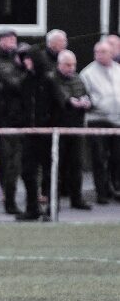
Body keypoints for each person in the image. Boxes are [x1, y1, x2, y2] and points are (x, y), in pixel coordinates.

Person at [17, 47, 63, 220]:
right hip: (30, 134)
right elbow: (22, 106)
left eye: (28, 59)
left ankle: (52, 209)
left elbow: (59, 104)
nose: (25, 62)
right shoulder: (25, 82)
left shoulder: (49, 81)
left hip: (48, 134)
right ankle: (32, 209)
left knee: (50, 174)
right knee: (28, 172)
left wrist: (51, 124)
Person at [0, 29, 28, 214]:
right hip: (0, 120)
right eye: (9, 39)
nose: (12, 42)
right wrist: (23, 68)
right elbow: (13, 85)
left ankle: (10, 203)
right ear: (0, 41)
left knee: (14, 165)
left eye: (14, 39)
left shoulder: (18, 60)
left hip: (18, 119)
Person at [80, 39, 120, 203]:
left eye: (103, 52)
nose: (99, 55)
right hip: (97, 120)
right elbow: (84, 95)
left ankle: (116, 188)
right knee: (99, 157)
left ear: (112, 53)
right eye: (97, 52)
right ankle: (101, 192)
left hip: (117, 120)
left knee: (117, 158)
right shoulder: (87, 73)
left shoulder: (118, 69)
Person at [53, 50, 92, 210]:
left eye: (73, 64)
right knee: (57, 165)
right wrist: (70, 102)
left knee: (76, 164)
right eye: (68, 65)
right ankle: (54, 200)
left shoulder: (77, 78)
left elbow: (86, 94)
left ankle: (76, 198)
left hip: (76, 128)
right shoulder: (53, 79)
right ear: (59, 64)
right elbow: (59, 99)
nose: (71, 68)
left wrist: (87, 101)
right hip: (58, 128)